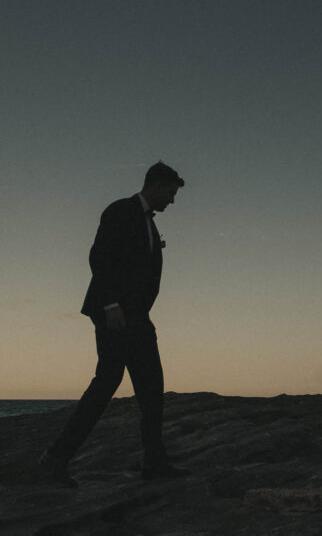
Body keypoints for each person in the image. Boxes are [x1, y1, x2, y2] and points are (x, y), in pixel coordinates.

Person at [40, 161, 190, 486]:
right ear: (154, 184)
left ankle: (154, 461)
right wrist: (111, 304)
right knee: (107, 381)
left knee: (151, 387)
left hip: (138, 316)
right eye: (170, 192)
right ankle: (55, 459)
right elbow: (100, 256)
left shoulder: (149, 223)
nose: (172, 200)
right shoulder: (120, 211)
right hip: (116, 314)